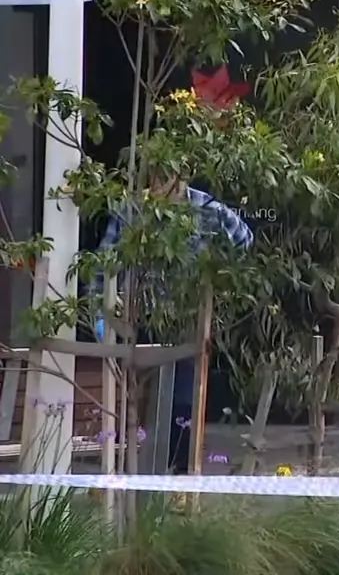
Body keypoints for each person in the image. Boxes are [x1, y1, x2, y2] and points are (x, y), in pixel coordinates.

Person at [91, 173, 253, 474]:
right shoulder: (132, 209)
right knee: (134, 397)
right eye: (155, 176)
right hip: (139, 316)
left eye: (167, 177)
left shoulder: (207, 209)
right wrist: (100, 316)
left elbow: (244, 240)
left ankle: (177, 475)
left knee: (182, 398)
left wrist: (218, 276)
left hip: (186, 316)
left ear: (182, 177)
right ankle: (130, 471)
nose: (159, 184)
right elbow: (104, 265)